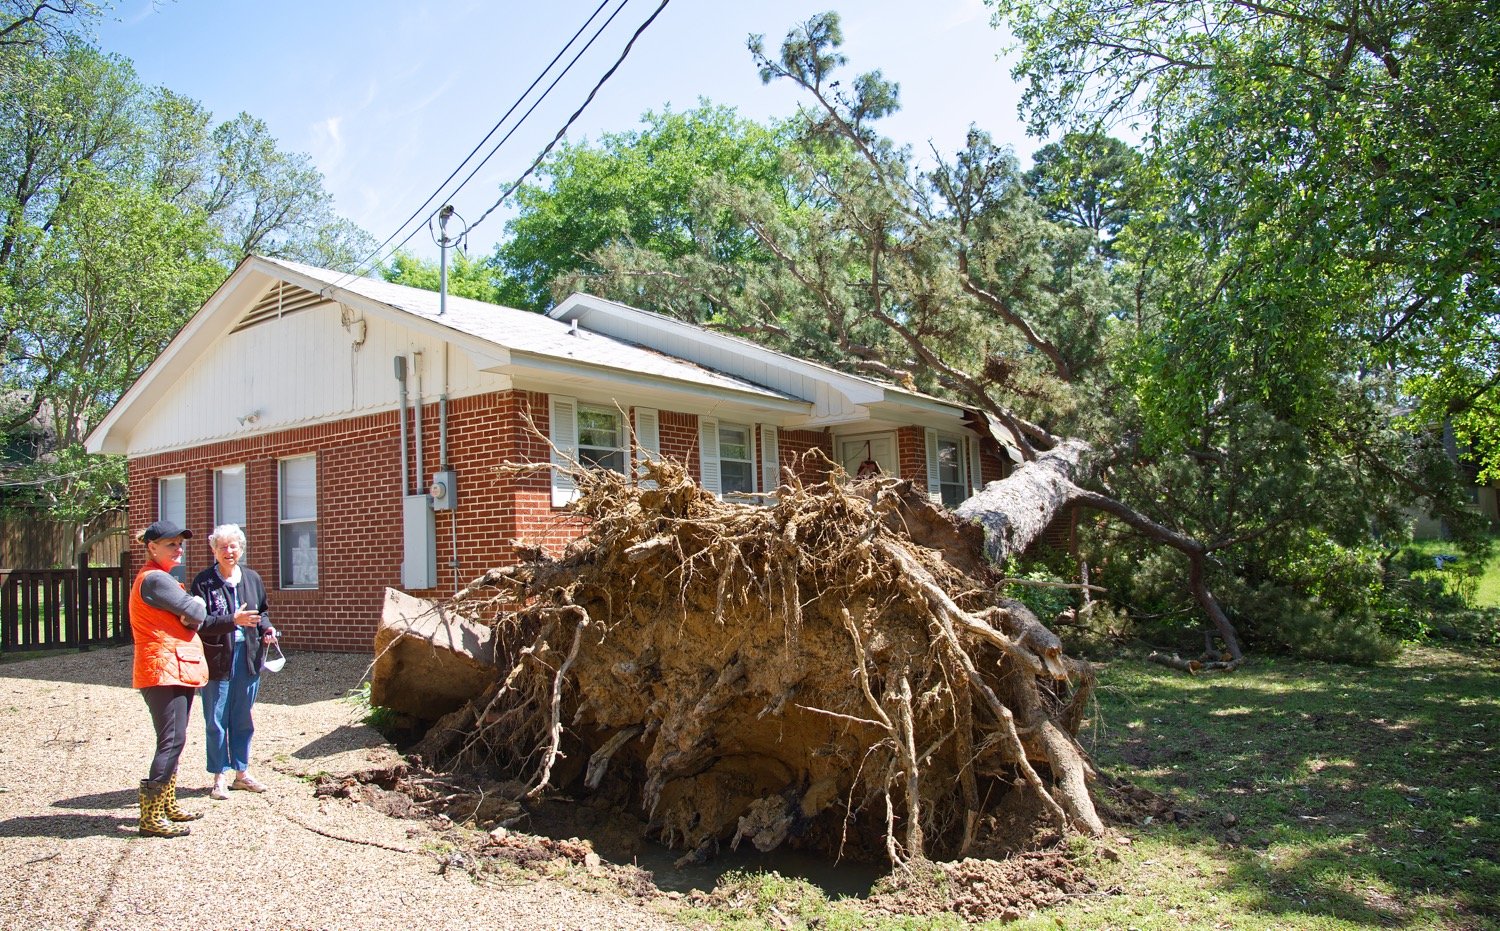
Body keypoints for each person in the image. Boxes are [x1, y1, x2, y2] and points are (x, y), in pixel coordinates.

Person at [130, 519, 215, 837]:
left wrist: (192, 610)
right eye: (170, 544)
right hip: (162, 670)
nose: (178, 549)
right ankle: (150, 818)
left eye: (180, 544)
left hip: (175, 667)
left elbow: (193, 617)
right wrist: (194, 608)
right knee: (171, 740)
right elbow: (199, 616)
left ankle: (166, 804)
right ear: (152, 547)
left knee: (176, 739)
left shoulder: (163, 579)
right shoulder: (155, 580)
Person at [191, 523, 277, 799]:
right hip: (218, 658)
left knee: (243, 717)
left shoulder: (252, 578)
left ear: (241, 548)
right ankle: (219, 776)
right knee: (216, 719)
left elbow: (261, 611)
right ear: (213, 550)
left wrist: (267, 629)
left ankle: (242, 773)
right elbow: (200, 622)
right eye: (222, 547)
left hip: (248, 657)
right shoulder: (204, 582)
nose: (228, 551)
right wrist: (233, 620)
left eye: (233, 546)